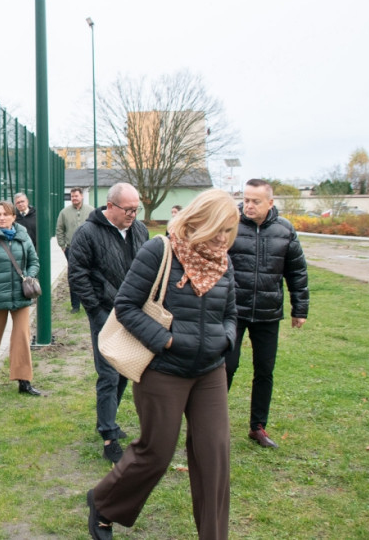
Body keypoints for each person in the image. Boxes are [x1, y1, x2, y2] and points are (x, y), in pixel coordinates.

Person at [86, 189, 238, 540]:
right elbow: (125, 306)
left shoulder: (223, 260)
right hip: (163, 370)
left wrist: (226, 339)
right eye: (218, 228)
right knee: (156, 453)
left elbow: (230, 312)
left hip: (209, 372)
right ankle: (103, 503)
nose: (222, 238)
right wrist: (166, 341)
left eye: (229, 231)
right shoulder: (161, 249)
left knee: (215, 456)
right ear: (199, 218)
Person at [68, 183, 149, 464]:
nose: (132, 214)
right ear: (110, 206)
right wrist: (95, 310)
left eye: (136, 209)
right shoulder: (87, 233)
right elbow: (77, 273)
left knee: (126, 370)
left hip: (134, 314)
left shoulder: (140, 231)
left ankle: (107, 419)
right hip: (105, 313)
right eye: (128, 209)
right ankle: (109, 437)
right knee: (109, 373)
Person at [226, 178, 309, 449]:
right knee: (227, 366)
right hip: (233, 311)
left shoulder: (285, 230)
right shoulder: (231, 225)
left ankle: (257, 427)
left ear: (270, 203)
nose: (248, 205)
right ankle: (212, 423)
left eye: (255, 201)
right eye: (246, 200)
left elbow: (297, 271)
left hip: (268, 313)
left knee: (265, 371)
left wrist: (300, 308)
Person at [0, 201, 42, 395]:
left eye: (5, 214)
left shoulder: (23, 237)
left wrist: (29, 275)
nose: (1, 217)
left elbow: (34, 261)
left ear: (13, 217)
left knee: (22, 336)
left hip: (21, 295)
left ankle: (24, 381)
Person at [57, 187, 95, 313]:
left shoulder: (90, 211)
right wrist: (62, 246)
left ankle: (90, 303)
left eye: (76, 196)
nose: (74, 198)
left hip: (88, 249)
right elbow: (60, 229)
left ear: (82, 196)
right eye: (72, 196)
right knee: (74, 277)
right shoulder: (64, 212)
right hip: (71, 249)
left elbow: (96, 227)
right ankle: (75, 305)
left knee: (90, 275)